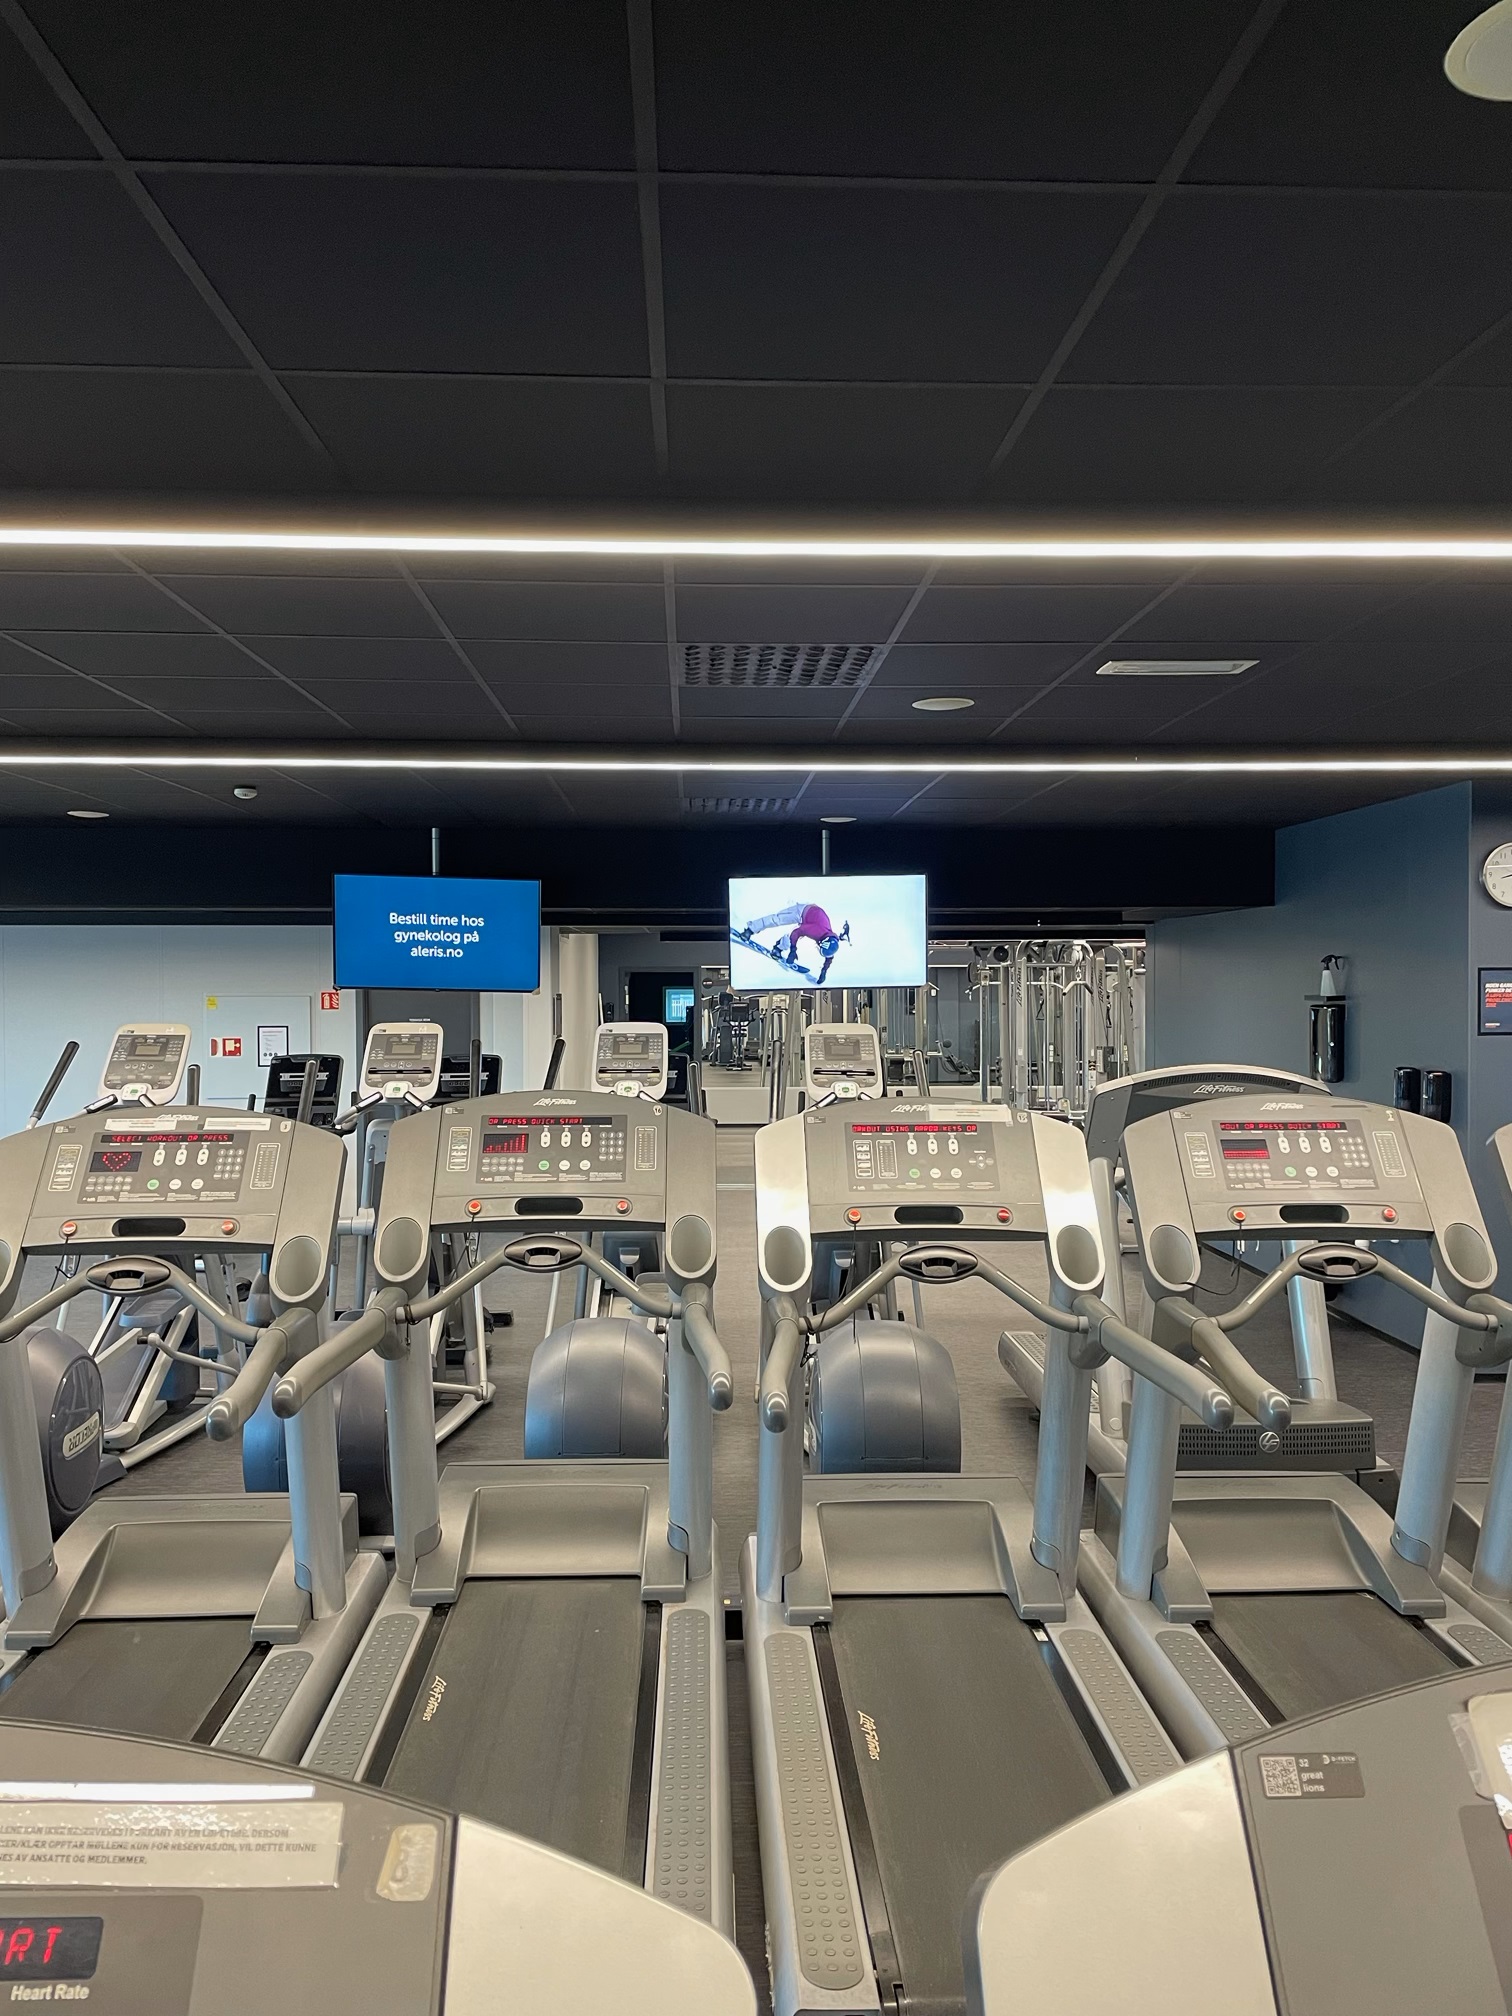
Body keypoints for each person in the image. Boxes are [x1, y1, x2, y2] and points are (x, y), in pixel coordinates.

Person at [734, 901, 851, 984]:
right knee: (777, 920)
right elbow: (796, 932)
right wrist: (793, 950)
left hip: (812, 918)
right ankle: (750, 930)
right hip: (802, 911)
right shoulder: (817, 931)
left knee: (790, 937)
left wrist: (824, 971)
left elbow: (829, 957)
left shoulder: (831, 942)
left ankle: (778, 948)